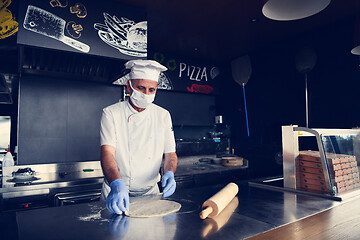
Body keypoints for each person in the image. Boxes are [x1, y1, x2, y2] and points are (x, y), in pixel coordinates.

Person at [100, 59, 178, 215]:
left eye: (151, 90)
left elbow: (170, 154)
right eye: (141, 88)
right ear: (129, 86)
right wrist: (116, 183)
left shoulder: (163, 115)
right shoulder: (111, 113)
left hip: (151, 194)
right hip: (117, 193)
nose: (146, 94)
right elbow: (107, 153)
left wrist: (170, 172)